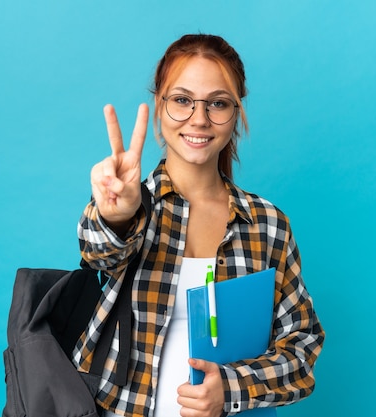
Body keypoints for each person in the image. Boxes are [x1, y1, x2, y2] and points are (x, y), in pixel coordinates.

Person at [73, 34, 325, 417]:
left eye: (218, 103)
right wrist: (116, 214)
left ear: (237, 113)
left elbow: (302, 346)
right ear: (160, 105)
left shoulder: (268, 225)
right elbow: (97, 252)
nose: (199, 118)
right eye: (182, 100)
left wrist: (231, 387)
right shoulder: (134, 206)